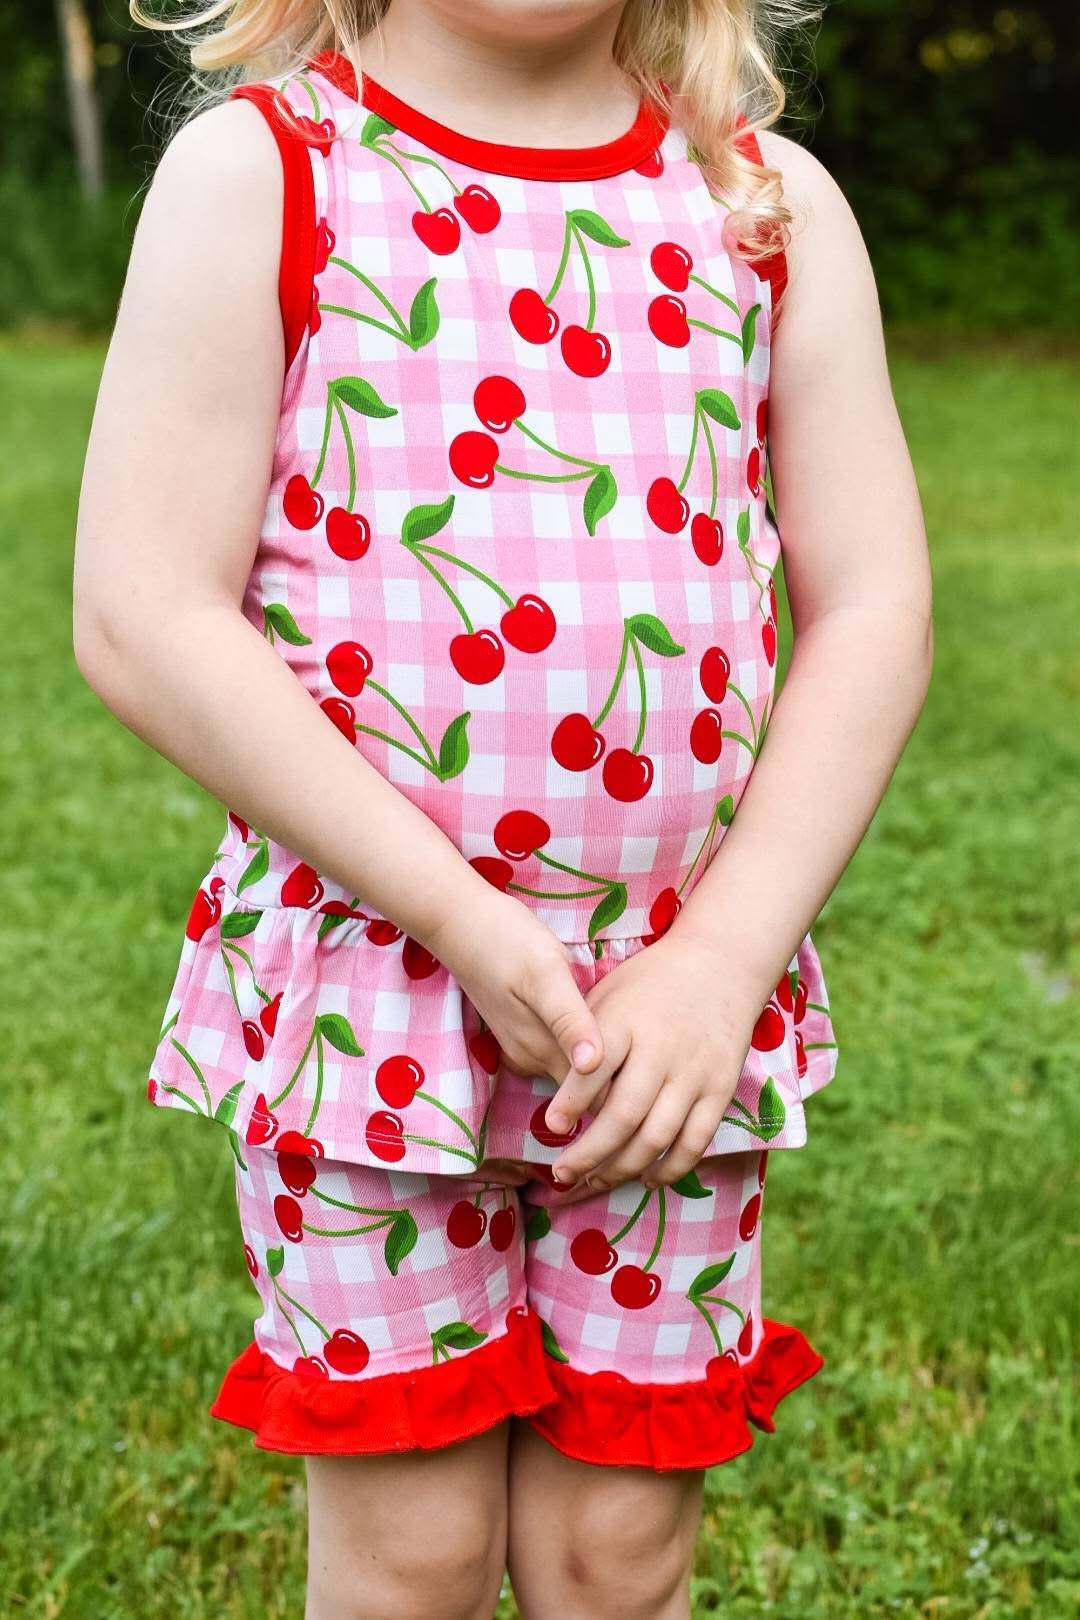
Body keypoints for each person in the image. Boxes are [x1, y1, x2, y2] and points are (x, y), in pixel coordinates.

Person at [72, 1, 932, 1615]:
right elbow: (140, 606)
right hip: (376, 1007)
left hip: (674, 1021)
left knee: (619, 1550)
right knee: (416, 1552)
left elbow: (876, 605)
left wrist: (723, 962)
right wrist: (461, 919)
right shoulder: (264, 175)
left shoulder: (764, 204)